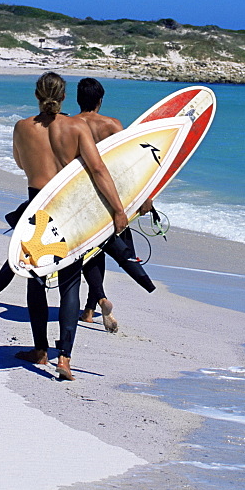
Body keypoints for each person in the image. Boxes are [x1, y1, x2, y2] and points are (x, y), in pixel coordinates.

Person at [6, 72, 128, 381]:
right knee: (70, 283)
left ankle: (39, 350)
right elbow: (98, 169)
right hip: (69, 209)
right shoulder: (76, 127)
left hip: (37, 207)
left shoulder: (22, 127)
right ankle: (65, 360)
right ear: (64, 97)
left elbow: (21, 163)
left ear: (37, 94)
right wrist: (117, 209)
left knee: (35, 279)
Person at [75, 78, 153, 333]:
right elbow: (133, 162)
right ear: (100, 100)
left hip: (82, 198)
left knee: (89, 252)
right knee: (113, 249)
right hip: (112, 197)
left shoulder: (70, 125)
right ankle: (91, 306)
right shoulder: (112, 125)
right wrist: (145, 197)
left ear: (78, 100)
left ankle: (95, 303)